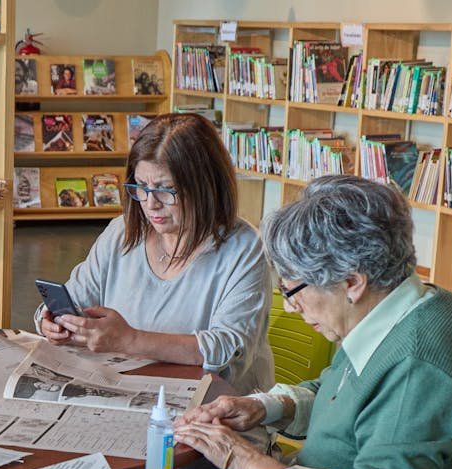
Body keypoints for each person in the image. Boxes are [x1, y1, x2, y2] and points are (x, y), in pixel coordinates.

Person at [175, 175, 452, 469]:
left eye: (293, 291)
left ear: (352, 283)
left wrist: (243, 460)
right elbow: (342, 393)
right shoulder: (401, 308)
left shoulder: (416, 368)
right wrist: (264, 407)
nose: (290, 308)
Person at [35, 113, 274, 395]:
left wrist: (130, 340)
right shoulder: (121, 232)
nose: (150, 204)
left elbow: (226, 349)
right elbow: (75, 299)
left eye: (165, 190)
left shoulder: (244, 248)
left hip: (213, 410)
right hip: (128, 392)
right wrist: (50, 321)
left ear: (205, 187)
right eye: (141, 187)